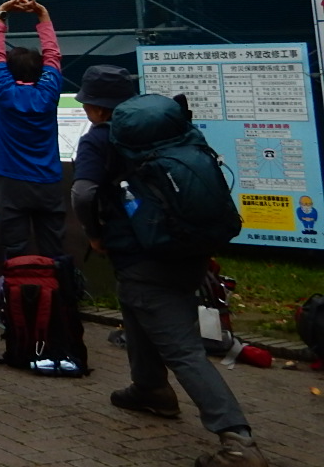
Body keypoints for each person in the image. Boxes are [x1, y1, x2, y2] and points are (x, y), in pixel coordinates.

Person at [71, 66, 269, 467]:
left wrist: (93, 234)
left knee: (182, 348)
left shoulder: (100, 139)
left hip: (144, 256)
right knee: (135, 303)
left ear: (97, 108)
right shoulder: (171, 131)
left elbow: (83, 192)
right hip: (189, 248)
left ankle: (238, 441)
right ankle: (150, 389)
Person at [0, 0, 65, 259]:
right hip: (48, 180)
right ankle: (59, 284)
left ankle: (18, 285)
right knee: (53, 247)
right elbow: (52, 55)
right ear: (40, 71)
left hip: (11, 182)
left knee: (15, 247)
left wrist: (2, 14)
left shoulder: (3, 91)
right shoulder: (49, 92)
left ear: (9, 71)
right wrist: (43, 16)